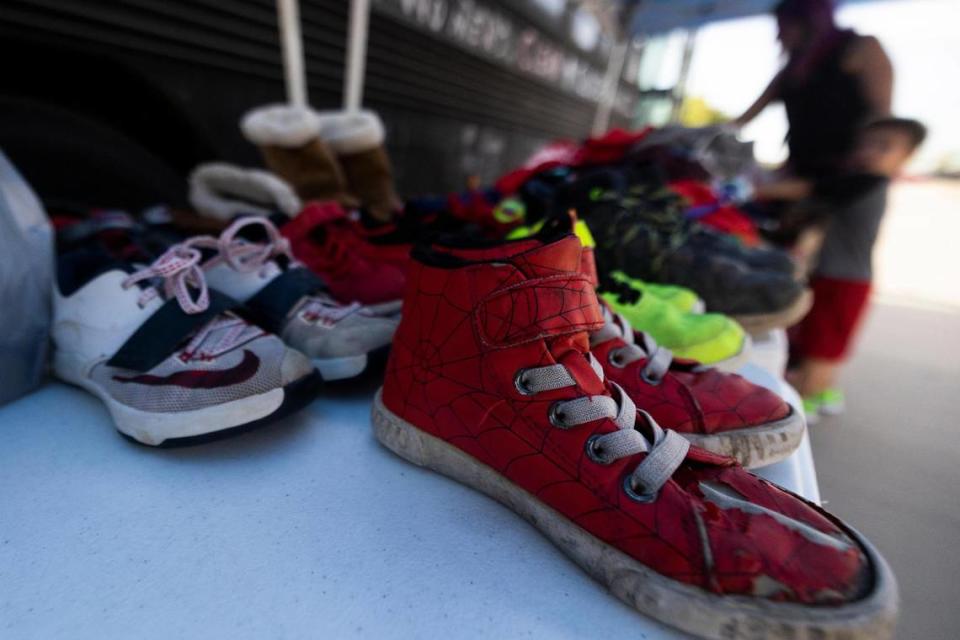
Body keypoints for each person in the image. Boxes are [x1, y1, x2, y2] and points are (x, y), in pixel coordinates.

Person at [757, 118, 926, 422]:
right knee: (824, 341)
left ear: (906, 157)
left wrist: (757, 189)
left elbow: (807, 189)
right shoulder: (861, 182)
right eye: (866, 143)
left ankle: (802, 404)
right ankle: (824, 392)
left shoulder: (868, 182)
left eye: (884, 146)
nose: (870, 151)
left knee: (819, 347)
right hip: (842, 277)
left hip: (842, 281)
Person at [735, 0, 894, 179]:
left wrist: (864, 165)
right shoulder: (791, 71)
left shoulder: (861, 48)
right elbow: (740, 121)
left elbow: (883, 119)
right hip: (800, 176)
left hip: (845, 182)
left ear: (811, 21)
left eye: (784, 26)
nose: (779, 36)